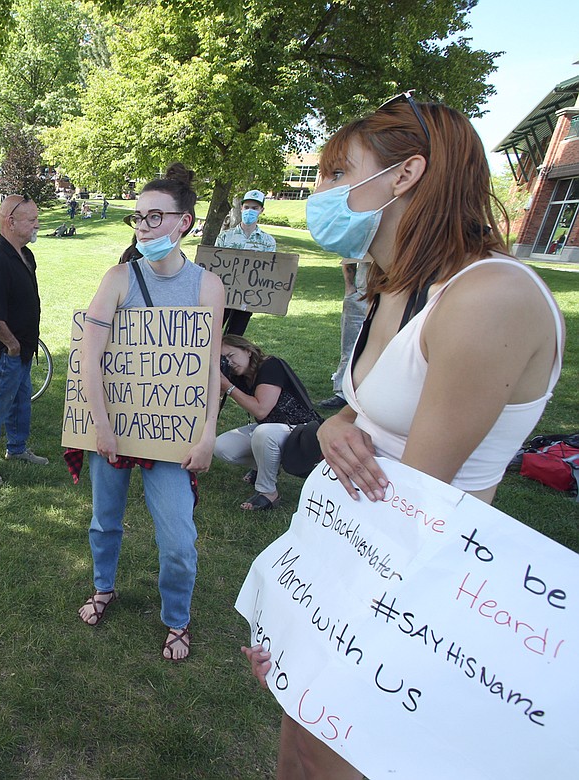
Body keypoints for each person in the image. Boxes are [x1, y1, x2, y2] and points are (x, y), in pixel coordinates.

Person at [242, 94, 565, 779]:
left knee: (334, 763)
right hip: (345, 564)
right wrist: (333, 424)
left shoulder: (488, 298)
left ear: (405, 175)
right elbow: (367, 413)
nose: (320, 192)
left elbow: (417, 506)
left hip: (410, 595)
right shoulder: (393, 286)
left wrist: (318, 625)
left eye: (336, 174)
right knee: (295, 751)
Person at [75, 163, 225, 661]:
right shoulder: (118, 277)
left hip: (173, 435)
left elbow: (205, 370)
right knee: (104, 522)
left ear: (184, 223)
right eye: (137, 217)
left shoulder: (208, 287)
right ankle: (103, 587)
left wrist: (207, 434)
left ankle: (176, 618)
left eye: (155, 217)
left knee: (179, 540)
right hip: (114, 429)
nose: (143, 227)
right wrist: (101, 425)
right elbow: (89, 357)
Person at [0, 195, 48, 486]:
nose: (37, 225)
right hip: (4, 352)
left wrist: (22, 347)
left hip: (22, 351)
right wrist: (12, 346)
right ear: (10, 222)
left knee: (19, 402)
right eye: (32, 220)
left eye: (36, 218)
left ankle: (16, 449)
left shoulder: (25, 255)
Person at [215, 335, 322, 510]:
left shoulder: (271, 365)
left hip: (299, 429)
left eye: (231, 355)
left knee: (263, 433)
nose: (229, 362)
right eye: (223, 359)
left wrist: (228, 387)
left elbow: (260, 410)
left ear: (248, 351)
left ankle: (268, 493)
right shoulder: (237, 376)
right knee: (222, 447)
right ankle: (264, 467)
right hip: (271, 430)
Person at [215, 189, 277, 335]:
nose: (250, 211)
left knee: (235, 337)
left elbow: (268, 271)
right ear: (241, 208)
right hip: (224, 295)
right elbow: (216, 264)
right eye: (247, 207)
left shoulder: (268, 241)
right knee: (212, 333)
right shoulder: (225, 237)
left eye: (255, 208)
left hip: (248, 298)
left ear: (261, 210)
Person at [316, 260, 369, 410]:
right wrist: (349, 288)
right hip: (361, 296)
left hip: (395, 295)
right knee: (350, 345)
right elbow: (350, 254)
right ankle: (342, 392)